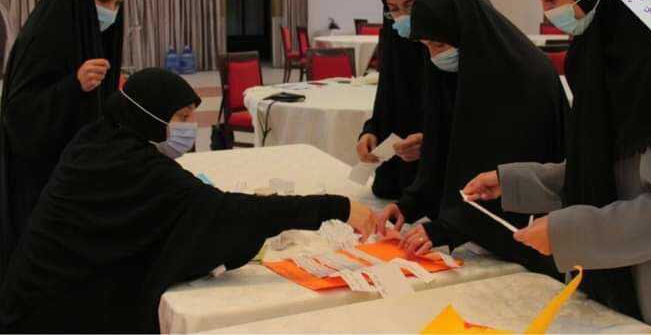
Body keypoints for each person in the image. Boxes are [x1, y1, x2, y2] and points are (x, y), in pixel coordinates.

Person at [463, 0, 651, 332]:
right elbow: (600, 171)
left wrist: (566, 232)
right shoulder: (605, 61)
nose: (548, 14)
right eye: (540, 0)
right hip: (620, 265)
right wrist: (513, 182)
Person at [0, 68, 375, 332]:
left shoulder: (97, 139)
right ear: (149, 116)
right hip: (59, 318)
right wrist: (338, 207)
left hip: (28, 295)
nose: (188, 128)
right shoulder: (142, 170)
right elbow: (233, 213)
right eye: (180, 117)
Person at [375, 0, 567, 277]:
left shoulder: (525, 78)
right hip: (477, 233)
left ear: (467, 33)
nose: (435, 56)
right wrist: (410, 203)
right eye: (426, 47)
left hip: (528, 237)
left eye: (440, 45)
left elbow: (515, 172)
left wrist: (449, 227)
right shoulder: (452, 69)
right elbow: (444, 147)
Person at [0, 0, 128, 278]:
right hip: (41, 174)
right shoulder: (42, 38)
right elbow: (17, 115)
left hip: (79, 167)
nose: (111, 11)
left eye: (118, 3)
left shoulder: (98, 36)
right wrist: (73, 86)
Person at [356, 0, 440, 199]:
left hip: (441, 170)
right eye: (393, 9)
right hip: (397, 172)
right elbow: (386, 95)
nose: (402, 16)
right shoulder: (393, 39)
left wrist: (431, 142)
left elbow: (461, 113)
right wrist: (371, 131)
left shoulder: (446, 43)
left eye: (410, 6)